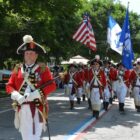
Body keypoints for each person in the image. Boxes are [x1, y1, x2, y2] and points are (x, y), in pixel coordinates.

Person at [6, 35, 56, 140]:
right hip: (22, 107)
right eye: (27, 53)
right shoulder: (17, 69)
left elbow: (52, 85)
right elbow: (9, 86)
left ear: (36, 55)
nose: (29, 55)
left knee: (35, 136)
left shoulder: (43, 69)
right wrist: (16, 95)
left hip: (37, 107)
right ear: (24, 55)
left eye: (31, 53)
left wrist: (36, 94)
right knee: (25, 136)